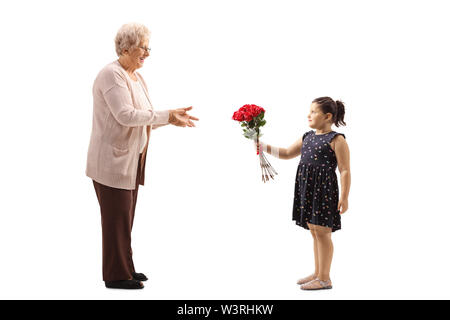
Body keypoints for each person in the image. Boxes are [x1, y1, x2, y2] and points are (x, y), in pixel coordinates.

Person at [86, 23, 199, 289]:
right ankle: (116, 276)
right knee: (116, 220)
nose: (147, 53)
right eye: (143, 47)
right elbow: (125, 116)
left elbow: (142, 117)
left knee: (124, 218)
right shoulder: (111, 75)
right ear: (125, 48)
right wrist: (167, 115)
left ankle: (126, 267)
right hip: (111, 162)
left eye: (148, 47)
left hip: (131, 160)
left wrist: (171, 120)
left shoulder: (135, 76)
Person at [256, 97, 351, 290]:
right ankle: (318, 272)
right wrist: (264, 146)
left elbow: (344, 169)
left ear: (327, 116)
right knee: (315, 232)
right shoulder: (307, 136)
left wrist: (345, 196)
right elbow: (287, 153)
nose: (309, 115)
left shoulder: (336, 139)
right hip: (307, 189)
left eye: (314, 112)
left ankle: (325, 278)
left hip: (324, 190)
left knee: (323, 233)